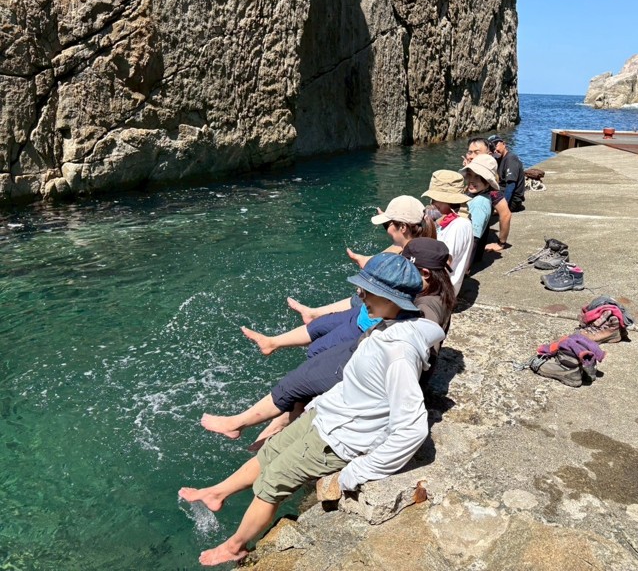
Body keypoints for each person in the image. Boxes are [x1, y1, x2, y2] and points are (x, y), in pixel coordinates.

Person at [179, 253, 445, 566]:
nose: (359, 295)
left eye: (367, 291)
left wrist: (355, 473)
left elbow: (412, 428)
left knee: (271, 483)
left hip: (340, 437)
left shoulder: (399, 351)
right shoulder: (387, 325)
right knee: (269, 452)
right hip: (327, 415)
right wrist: (318, 404)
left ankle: (236, 545)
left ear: (392, 297)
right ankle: (217, 493)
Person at [200, 240, 456, 444]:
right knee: (306, 372)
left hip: (363, 358)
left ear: (424, 273)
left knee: (296, 382)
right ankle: (269, 425)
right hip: (364, 346)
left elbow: (420, 350)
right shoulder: (432, 293)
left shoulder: (428, 307)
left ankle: (240, 425)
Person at [239, 195, 434, 360]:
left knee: (317, 349)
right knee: (318, 325)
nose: (386, 230)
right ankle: (274, 340)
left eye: (386, 226)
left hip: (369, 324)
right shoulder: (415, 248)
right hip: (367, 314)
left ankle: (308, 393)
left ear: (403, 228)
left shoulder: (412, 260)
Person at [421, 170, 473, 295]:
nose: (432, 203)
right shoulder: (450, 221)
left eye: (435, 199)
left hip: (440, 292)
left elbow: (443, 265)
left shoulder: (459, 225)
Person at [462, 137, 512, 252]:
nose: (471, 156)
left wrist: (501, 243)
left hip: (474, 243)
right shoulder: (472, 176)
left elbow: (506, 214)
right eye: (470, 152)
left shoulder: (489, 188)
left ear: (489, 154)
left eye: (477, 152)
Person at [461, 154, 499, 264]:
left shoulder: (479, 203)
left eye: (477, 176)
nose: (471, 180)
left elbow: (474, 239)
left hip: (468, 258)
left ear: (488, 182)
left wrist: (466, 267)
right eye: (470, 175)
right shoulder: (479, 197)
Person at [488, 134, 526, 212]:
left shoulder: (510, 159)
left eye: (496, 145)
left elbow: (511, 184)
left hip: (512, 200)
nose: (494, 150)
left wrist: (503, 207)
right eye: (492, 148)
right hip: (501, 193)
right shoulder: (498, 159)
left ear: (504, 144)